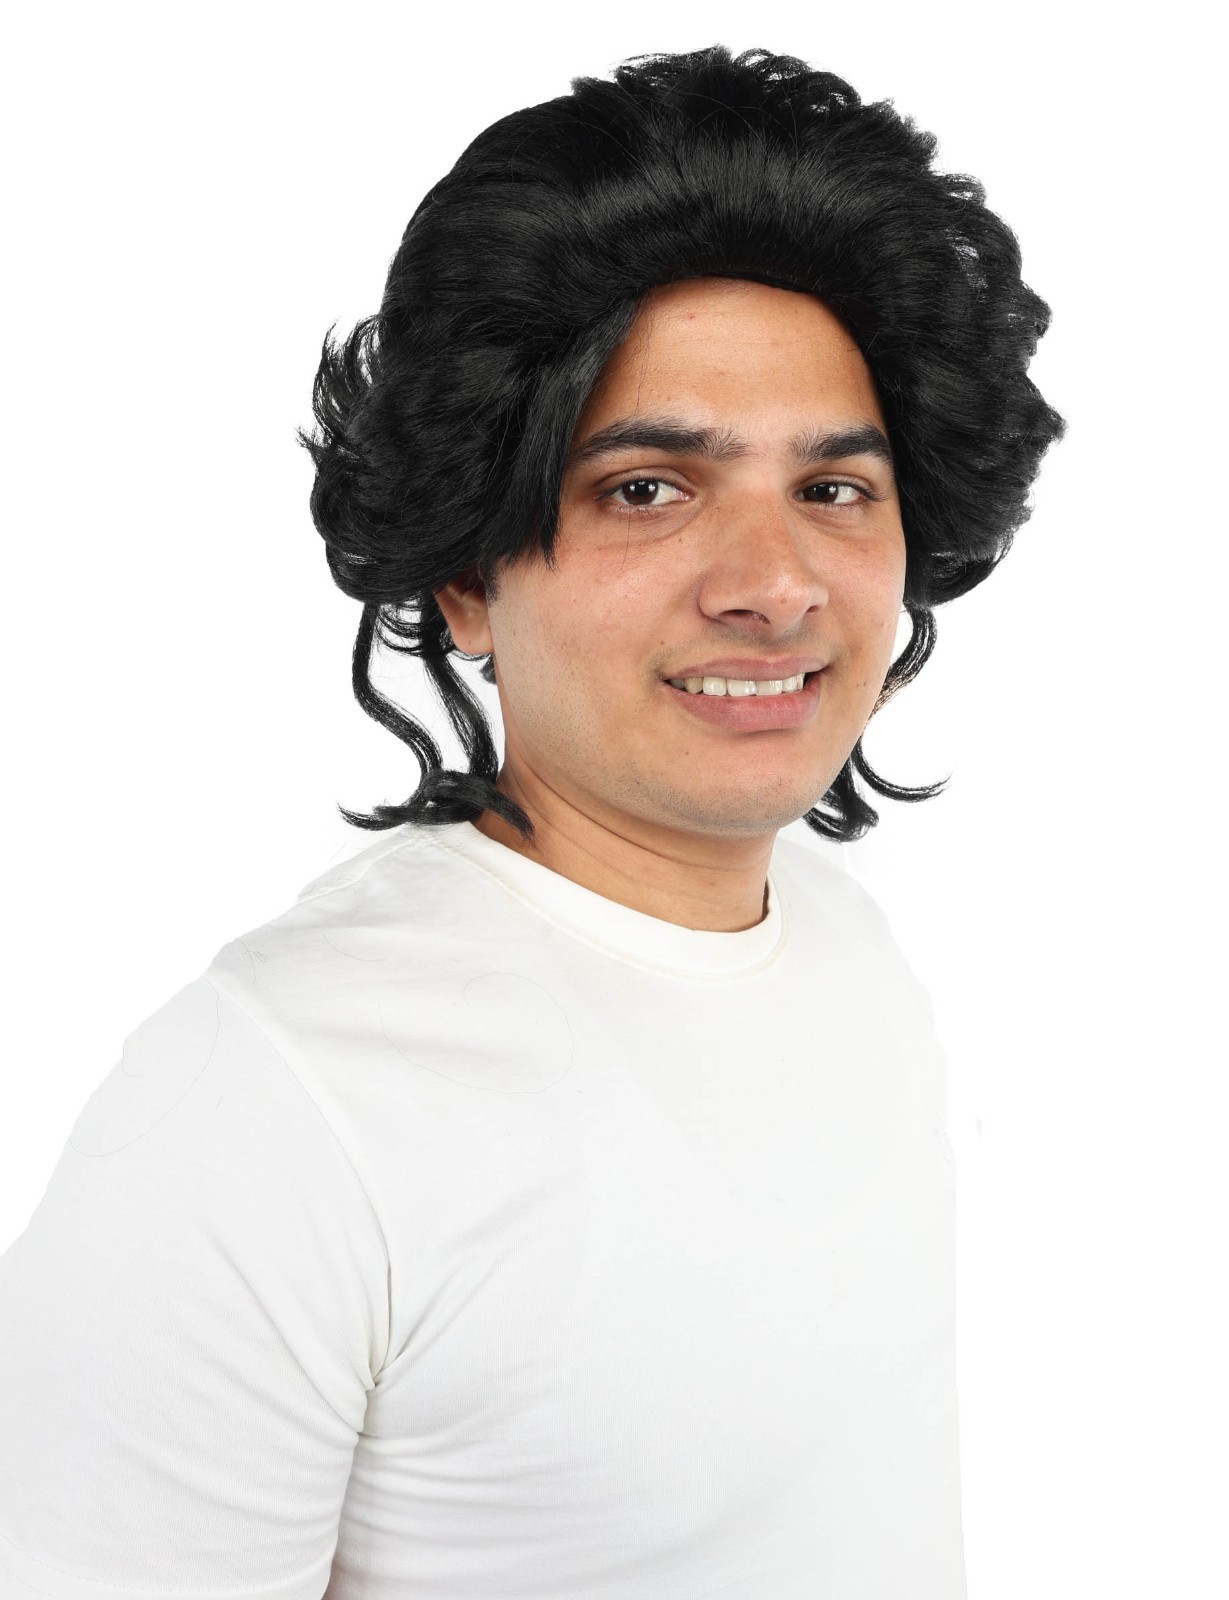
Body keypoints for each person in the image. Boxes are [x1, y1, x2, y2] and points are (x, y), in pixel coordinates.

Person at [0, 43, 1064, 1599]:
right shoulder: (272, 1105)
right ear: (464, 576)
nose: (773, 585)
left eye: (834, 490)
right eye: (647, 488)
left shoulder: (856, 950)